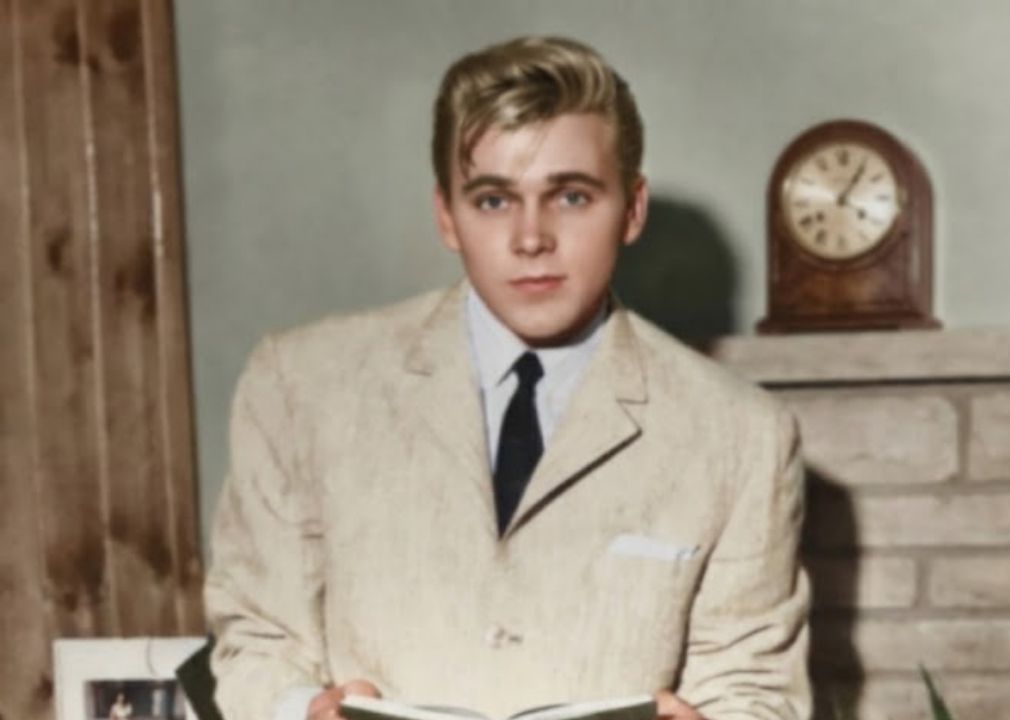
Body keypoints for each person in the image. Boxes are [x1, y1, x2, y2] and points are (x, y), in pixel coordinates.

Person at [205, 35, 810, 720]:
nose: (531, 239)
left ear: (632, 210)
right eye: (493, 200)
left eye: (572, 196)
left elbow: (753, 688)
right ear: (447, 216)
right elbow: (258, 638)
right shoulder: (299, 385)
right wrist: (299, 711)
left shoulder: (741, 435)